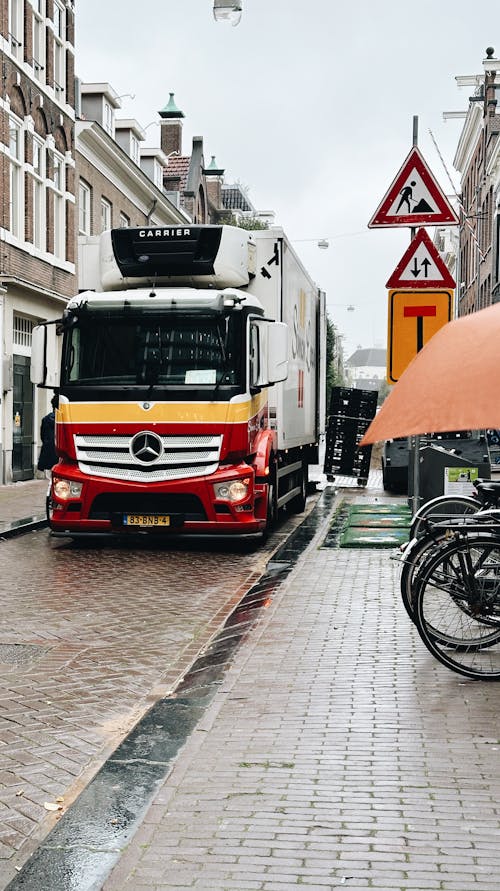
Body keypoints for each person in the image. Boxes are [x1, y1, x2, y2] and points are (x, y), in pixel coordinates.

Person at [37, 394, 58, 477]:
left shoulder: (45, 419)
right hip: (59, 452)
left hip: (48, 450)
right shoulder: (64, 420)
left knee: (50, 473)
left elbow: (42, 435)